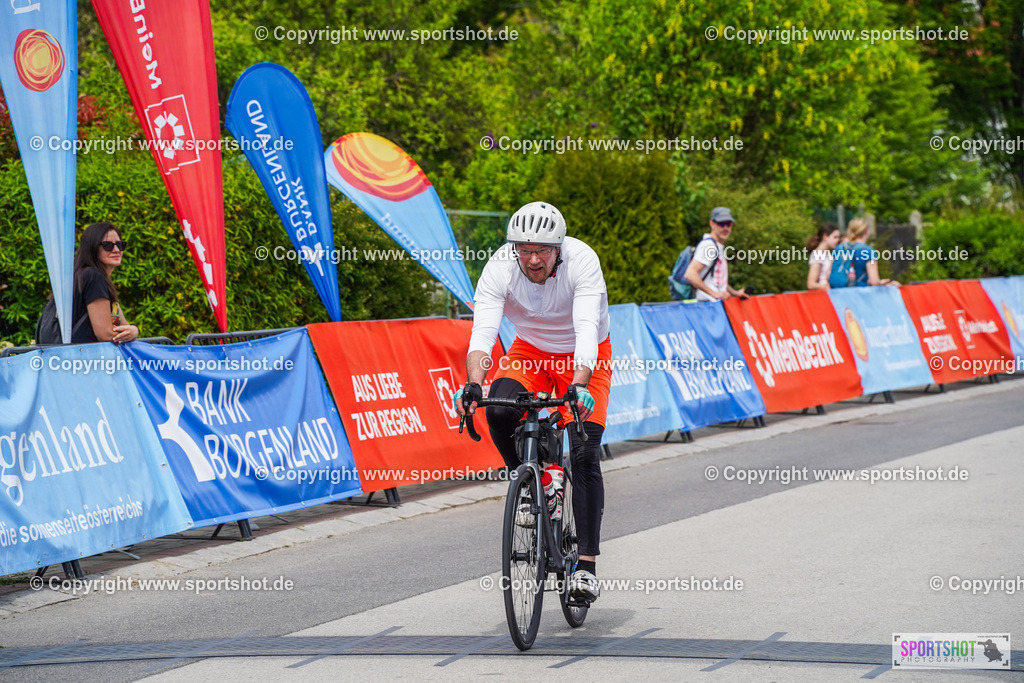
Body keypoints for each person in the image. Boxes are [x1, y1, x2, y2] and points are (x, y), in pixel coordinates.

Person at [454, 201, 611, 603]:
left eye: (542, 251)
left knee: (584, 451)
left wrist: (579, 386)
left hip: (583, 355)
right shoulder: (500, 268)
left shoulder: (583, 262)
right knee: (501, 407)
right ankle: (530, 484)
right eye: (524, 250)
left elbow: (586, 328)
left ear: (559, 249)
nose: (533, 259)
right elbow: (483, 332)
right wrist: (474, 383)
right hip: (529, 352)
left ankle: (587, 566)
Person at [72, 222, 139, 343]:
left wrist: (132, 331)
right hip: (82, 358)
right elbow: (106, 335)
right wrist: (134, 331)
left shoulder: (92, 277)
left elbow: (124, 326)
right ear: (92, 248)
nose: (116, 250)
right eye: (108, 245)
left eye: (120, 244)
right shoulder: (93, 276)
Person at [685, 206, 750, 301]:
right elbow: (690, 274)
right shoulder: (708, 246)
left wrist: (735, 293)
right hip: (707, 305)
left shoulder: (718, 246)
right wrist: (714, 294)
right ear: (712, 224)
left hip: (715, 305)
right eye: (721, 224)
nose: (726, 228)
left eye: (729, 224)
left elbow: (718, 281)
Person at [828, 218, 899, 288]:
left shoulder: (839, 248)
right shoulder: (868, 251)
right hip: (859, 293)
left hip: (836, 294)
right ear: (866, 231)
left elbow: (828, 272)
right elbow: (873, 282)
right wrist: (886, 284)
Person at [806, 223, 841, 290]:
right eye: (835, 237)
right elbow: (811, 284)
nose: (838, 240)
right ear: (825, 236)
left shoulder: (828, 254)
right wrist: (827, 287)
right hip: (823, 296)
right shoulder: (818, 254)